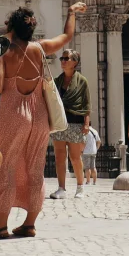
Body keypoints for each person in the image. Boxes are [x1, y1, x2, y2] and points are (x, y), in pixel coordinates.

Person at [0, 3, 84, 238]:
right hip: (39, 114)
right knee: (35, 168)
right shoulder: (40, 48)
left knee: (6, 167)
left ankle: (1, 225)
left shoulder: (3, 51)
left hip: (13, 112)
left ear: (12, 27)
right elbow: (67, 35)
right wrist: (70, 13)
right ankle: (29, 223)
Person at [48, 48, 91, 200]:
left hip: (75, 122)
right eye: (62, 58)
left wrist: (86, 124)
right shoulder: (57, 81)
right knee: (59, 157)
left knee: (75, 157)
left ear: (75, 62)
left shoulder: (82, 81)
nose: (63, 61)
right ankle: (61, 188)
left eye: (67, 58)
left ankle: (80, 187)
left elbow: (86, 104)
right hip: (59, 123)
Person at [80, 124, 100, 192]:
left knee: (87, 167)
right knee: (93, 167)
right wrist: (96, 149)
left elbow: (83, 142)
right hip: (93, 151)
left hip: (86, 151)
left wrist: (81, 150)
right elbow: (99, 141)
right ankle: (94, 181)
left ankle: (88, 181)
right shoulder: (95, 131)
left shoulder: (85, 131)